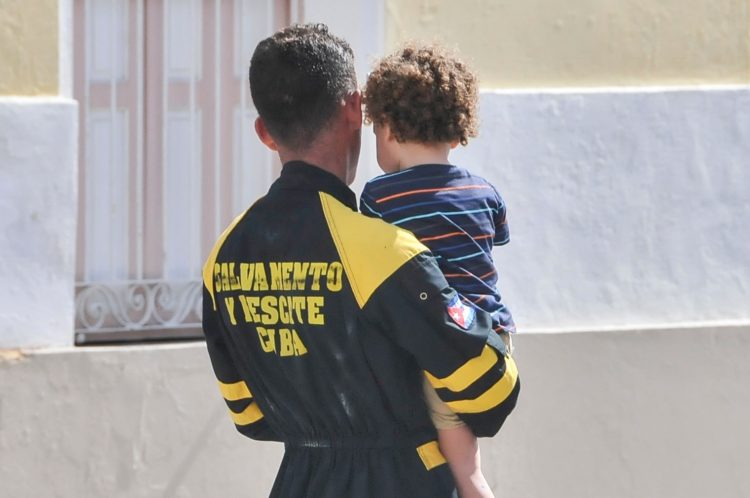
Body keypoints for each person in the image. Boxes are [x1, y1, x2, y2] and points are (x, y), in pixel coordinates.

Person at [201, 24, 519, 498]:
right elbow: (489, 392)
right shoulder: (385, 251)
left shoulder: (224, 257)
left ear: (265, 133)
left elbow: (249, 414)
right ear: (354, 108)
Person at [359, 43, 516, 498]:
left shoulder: (379, 199)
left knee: (465, 475)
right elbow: (493, 242)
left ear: (388, 128)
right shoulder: (484, 192)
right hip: (494, 336)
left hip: (444, 346)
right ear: (457, 132)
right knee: (466, 462)